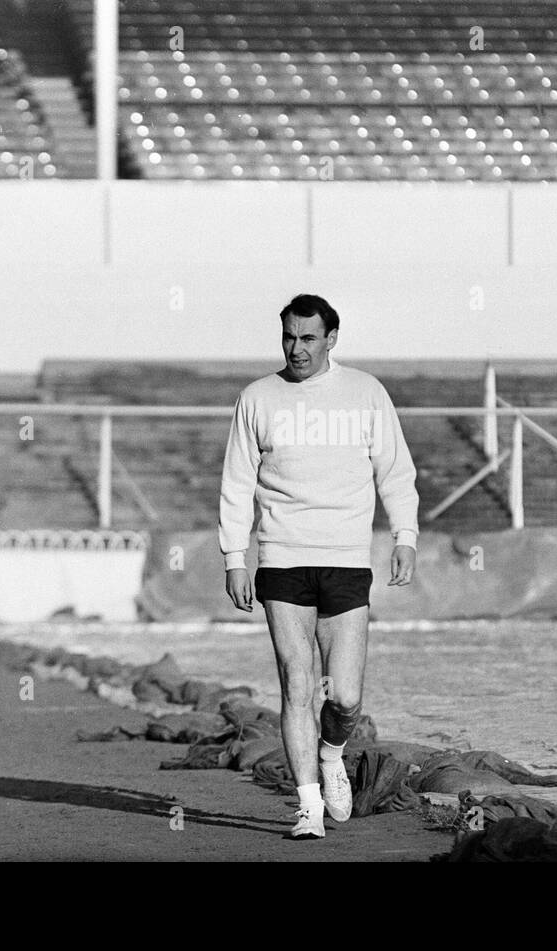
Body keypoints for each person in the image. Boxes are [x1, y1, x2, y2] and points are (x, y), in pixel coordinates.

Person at [218, 293, 419, 839]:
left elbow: (395, 471)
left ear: (331, 338)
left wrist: (405, 536)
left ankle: (332, 753)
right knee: (297, 684)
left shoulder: (365, 393)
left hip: (346, 559)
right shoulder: (258, 397)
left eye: (308, 337)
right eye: (289, 336)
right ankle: (307, 806)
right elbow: (237, 482)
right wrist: (235, 558)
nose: (297, 347)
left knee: (346, 697)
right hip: (281, 556)